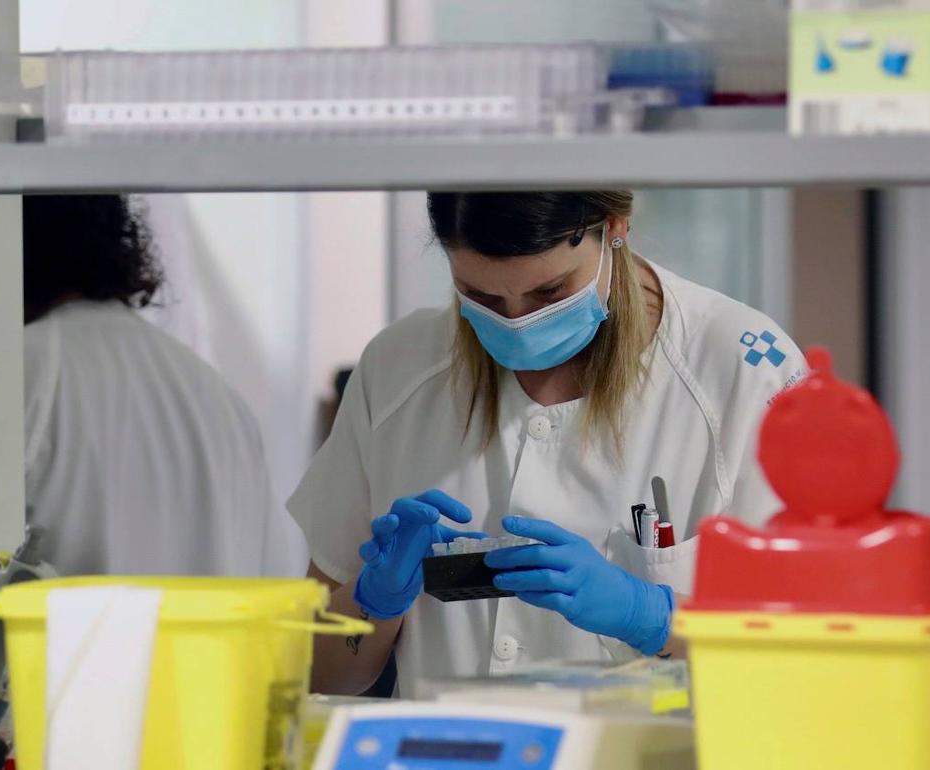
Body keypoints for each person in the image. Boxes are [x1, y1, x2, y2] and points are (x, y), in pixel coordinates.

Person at [288, 191, 807, 696]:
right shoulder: (398, 368)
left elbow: (802, 663)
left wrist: (647, 615)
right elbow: (319, 677)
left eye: (550, 292)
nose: (516, 322)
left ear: (616, 230)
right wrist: (371, 603)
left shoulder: (744, 367)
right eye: (482, 297)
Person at [23, 194, 284, 576]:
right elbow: (274, 576)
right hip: (219, 636)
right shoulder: (219, 397)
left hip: (66, 637)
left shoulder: (27, 368)